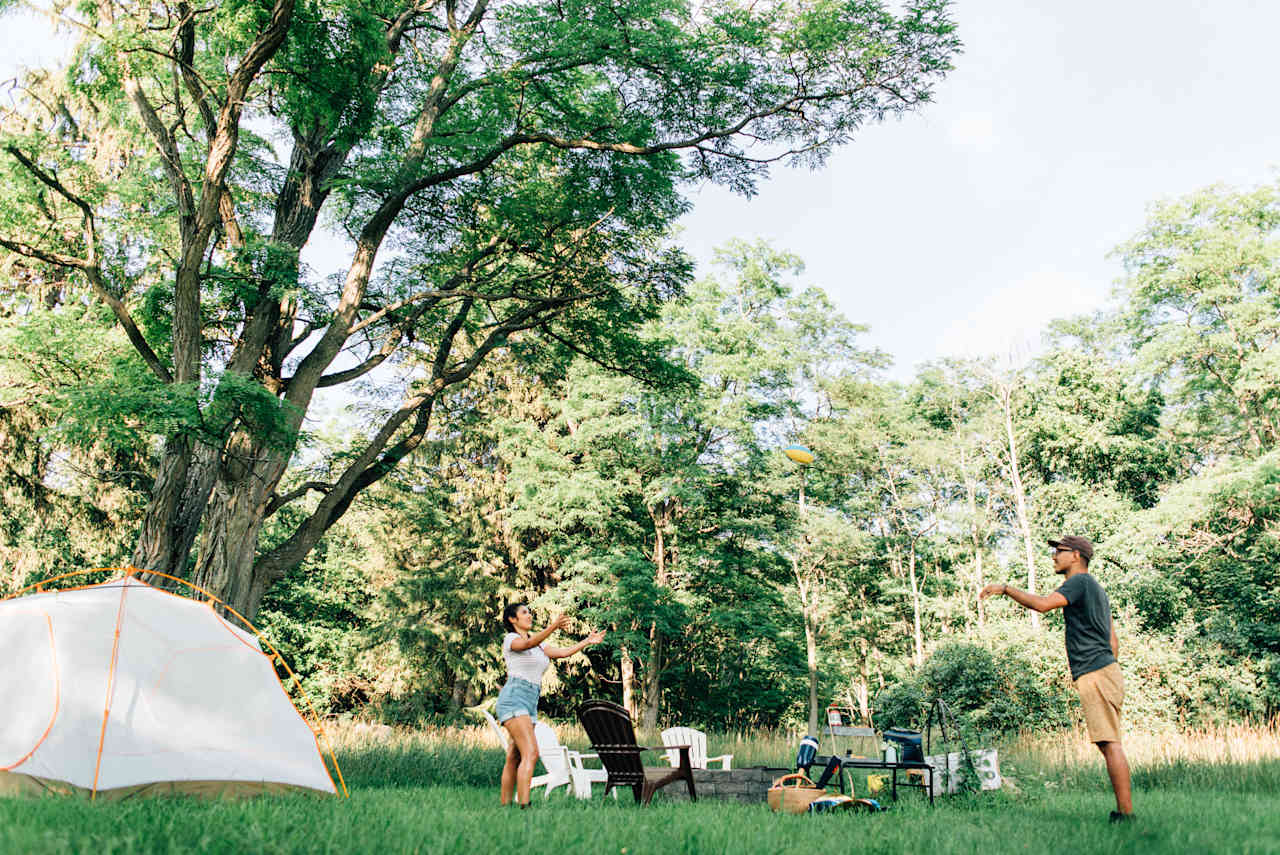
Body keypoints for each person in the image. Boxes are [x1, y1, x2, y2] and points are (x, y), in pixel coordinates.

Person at [979, 535, 1134, 823]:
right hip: (1106, 670)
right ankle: (1123, 812)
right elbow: (1113, 641)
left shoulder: (1078, 582)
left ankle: (1126, 815)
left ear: (1076, 555)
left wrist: (1004, 589)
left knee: (1110, 743)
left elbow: (1042, 605)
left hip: (1097, 672)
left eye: (1058, 551)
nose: (1053, 556)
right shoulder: (1097, 590)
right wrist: (1105, 668)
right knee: (1107, 742)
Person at [497, 602, 606, 807]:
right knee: (531, 752)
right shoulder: (511, 639)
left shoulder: (538, 643)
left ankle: (505, 807)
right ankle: (524, 807)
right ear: (513, 619)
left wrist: (587, 641)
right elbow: (525, 645)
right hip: (514, 697)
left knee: (514, 756)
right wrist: (554, 626)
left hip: (530, 700)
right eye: (524, 613)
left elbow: (563, 653)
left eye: (529, 612)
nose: (529, 615)